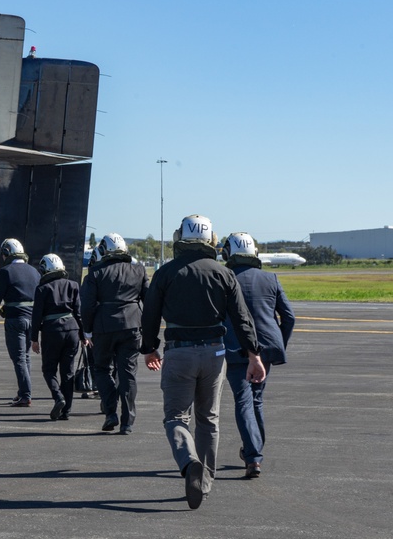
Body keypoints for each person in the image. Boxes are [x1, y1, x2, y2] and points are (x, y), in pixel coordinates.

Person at [141, 214, 265, 510]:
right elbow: (242, 319)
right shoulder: (224, 273)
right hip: (215, 353)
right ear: (211, 240)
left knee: (175, 417)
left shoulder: (166, 272)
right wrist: (253, 355)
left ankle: (188, 463)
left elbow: (150, 314)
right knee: (208, 419)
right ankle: (206, 480)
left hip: (179, 351)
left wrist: (149, 349)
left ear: (179, 239)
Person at [221, 232, 296, 478]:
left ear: (228, 253)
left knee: (243, 401)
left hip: (235, 349)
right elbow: (289, 317)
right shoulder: (269, 278)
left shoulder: (224, 278)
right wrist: (278, 345)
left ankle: (253, 456)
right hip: (265, 350)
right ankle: (254, 451)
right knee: (257, 401)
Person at [81, 233, 149, 434]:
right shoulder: (139, 270)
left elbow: (87, 306)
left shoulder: (95, 273)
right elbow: (149, 299)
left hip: (104, 327)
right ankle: (128, 421)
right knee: (128, 373)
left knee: (101, 369)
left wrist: (87, 330)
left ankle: (110, 411)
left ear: (104, 250)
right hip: (132, 326)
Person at [0, 238, 41, 407]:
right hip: (32, 320)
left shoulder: (6, 271)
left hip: (15, 320)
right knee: (25, 358)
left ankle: (26, 395)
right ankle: (22, 391)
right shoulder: (34, 271)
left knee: (18, 359)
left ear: (7, 253)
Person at [30, 254, 85, 420]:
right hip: (72, 331)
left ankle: (58, 396)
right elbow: (79, 313)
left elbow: (36, 316)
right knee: (67, 372)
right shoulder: (73, 285)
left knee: (49, 369)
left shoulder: (42, 289)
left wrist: (34, 339)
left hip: (52, 331)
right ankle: (66, 410)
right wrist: (84, 335)